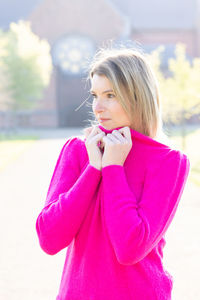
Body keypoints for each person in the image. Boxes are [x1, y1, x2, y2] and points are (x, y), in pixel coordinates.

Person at [35, 46, 190, 300]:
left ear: (138, 96)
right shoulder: (78, 151)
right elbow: (49, 238)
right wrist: (93, 169)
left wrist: (113, 168)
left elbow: (129, 248)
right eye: (95, 95)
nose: (97, 107)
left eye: (110, 95)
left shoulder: (168, 162)